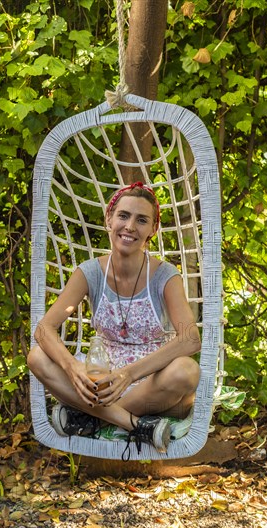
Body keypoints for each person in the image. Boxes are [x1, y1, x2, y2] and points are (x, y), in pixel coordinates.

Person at [27, 182, 201, 458]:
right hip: (101, 379)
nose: (130, 226)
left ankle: (88, 419)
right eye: (123, 216)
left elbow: (190, 338)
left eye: (141, 220)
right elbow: (44, 329)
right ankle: (132, 423)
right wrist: (73, 368)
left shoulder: (165, 275)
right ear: (110, 219)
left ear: (153, 229)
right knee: (37, 357)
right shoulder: (89, 273)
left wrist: (129, 374)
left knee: (186, 371)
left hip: (149, 379)